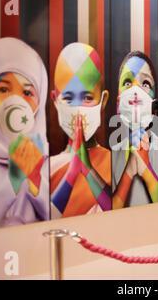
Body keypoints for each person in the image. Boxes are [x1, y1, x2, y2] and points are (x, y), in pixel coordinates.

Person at [0, 37, 49, 230]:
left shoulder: (40, 152)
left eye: (27, 93)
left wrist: (35, 182)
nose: (16, 101)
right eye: (3, 89)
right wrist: (12, 181)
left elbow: (59, 218)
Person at [50, 43, 112, 218]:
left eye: (87, 97)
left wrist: (88, 170)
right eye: (69, 98)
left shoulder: (115, 165)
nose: (78, 109)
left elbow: (122, 215)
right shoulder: (48, 169)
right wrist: (71, 173)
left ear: (103, 100)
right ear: (55, 100)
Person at [111, 51, 158, 209]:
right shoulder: (112, 153)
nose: (135, 92)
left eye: (145, 83)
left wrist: (146, 169)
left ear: (154, 103)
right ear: (118, 102)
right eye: (127, 82)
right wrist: (129, 171)